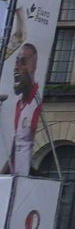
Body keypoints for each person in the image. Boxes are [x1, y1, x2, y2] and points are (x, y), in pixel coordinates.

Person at [1, 43, 41, 176]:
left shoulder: (36, 105)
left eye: (23, 62)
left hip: (24, 181)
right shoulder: (19, 104)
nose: (17, 68)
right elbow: (16, 146)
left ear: (33, 67)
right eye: (16, 62)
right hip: (14, 179)